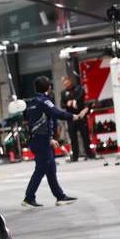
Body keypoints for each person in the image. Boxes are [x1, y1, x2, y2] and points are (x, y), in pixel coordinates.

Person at [23, 76, 88, 207]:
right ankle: (29, 198)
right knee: (41, 169)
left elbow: (30, 122)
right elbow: (56, 113)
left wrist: (50, 138)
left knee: (50, 168)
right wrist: (73, 116)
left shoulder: (31, 103)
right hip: (41, 141)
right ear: (48, 87)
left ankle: (60, 196)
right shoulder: (44, 101)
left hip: (36, 140)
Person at [61, 76, 95, 161]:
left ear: (70, 81)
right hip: (71, 117)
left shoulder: (78, 88)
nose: (66, 84)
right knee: (73, 137)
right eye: (64, 83)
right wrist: (67, 104)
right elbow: (62, 104)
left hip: (80, 115)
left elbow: (81, 96)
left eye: (67, 82)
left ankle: (89, 153)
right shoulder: (63, 93)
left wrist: (73, 100)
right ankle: (75, 156)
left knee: (85, 135)